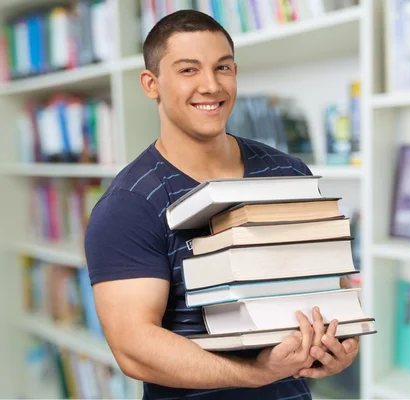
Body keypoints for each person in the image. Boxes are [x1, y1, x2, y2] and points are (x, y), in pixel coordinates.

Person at [84, 9, 359, 400]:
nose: (211, 85)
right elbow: (135, 349)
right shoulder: (128, 204)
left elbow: (332, 287)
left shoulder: (288, 173)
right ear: (151, 84)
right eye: (188, 70)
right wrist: (257, 373)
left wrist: (338, 345)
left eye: (223, 67)